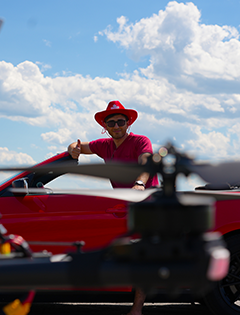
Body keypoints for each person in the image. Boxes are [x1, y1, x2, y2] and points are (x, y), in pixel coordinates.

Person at [67, 100, 158, 315]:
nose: (116, 127)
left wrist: (139, 183)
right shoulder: (104, 146)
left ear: (128, 123)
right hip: (121, 208)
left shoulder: (140, 141)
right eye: (112, 123)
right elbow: (80, 146)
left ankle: (137, 308)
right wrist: (73, 149)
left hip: (146, 204)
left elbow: (147, 163)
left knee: (141, 256)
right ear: (105, 127)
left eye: (120, 122)